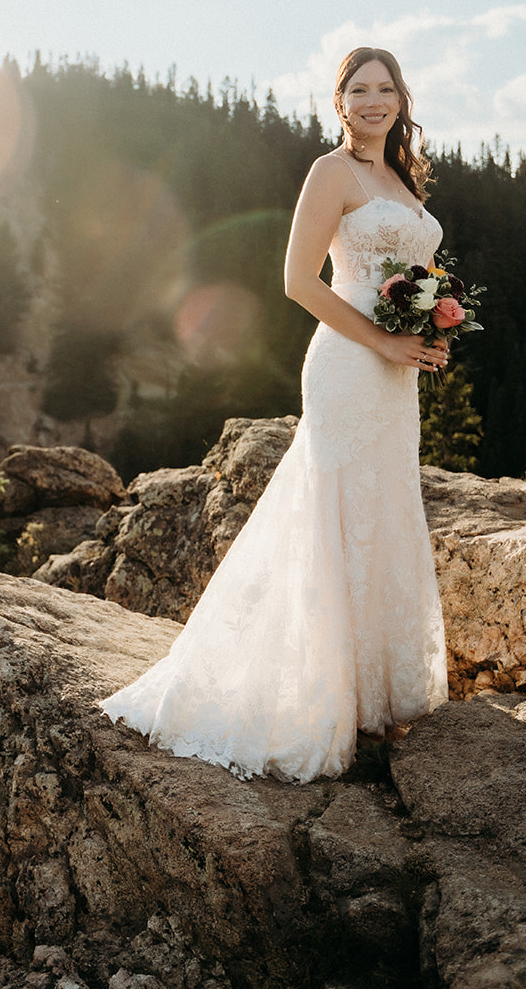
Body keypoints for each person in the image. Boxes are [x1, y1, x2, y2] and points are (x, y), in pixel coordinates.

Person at [101, 47, 450, 783]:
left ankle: (372, 695)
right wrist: (383, 340)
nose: (373, 100)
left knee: (381, 505)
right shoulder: (332, 172)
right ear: (338, 100)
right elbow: (297, 280)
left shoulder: (399, 177)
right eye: (359, 89)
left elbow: (407, 274)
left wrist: (425, 332)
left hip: (393, 370)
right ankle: (319, 697)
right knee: (334, 509)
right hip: (350, 361)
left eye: (385, 88)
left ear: (400, 98)